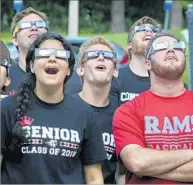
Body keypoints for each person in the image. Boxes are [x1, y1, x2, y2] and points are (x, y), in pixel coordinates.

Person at [113, 32, 193, 184]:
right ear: (147, 63)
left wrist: (152, 169)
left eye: (177, 46)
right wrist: (192, 154)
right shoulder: (128, 111)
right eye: (161, 47)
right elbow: (137, 162)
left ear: (184, 60)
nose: (170, 49)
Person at [1, 32, 106, 184]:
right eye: (44, 54)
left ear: (69, 69)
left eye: (60, 55)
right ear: (32, 65)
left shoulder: (84, 113)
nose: (52, 58)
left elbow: (94, 178)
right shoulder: (6, 108)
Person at [74, 37, 119, 184]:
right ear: (80, 69)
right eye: (93, 55)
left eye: (108, 56)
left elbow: (123, 173)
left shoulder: (123, 116)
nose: (101, 57)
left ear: (116, 71)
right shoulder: (64, 108)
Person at [7, 7, 81, 95]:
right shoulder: (5, 76)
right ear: (15, 39)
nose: (34, 28)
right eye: (25, 25)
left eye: (40, 24)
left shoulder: (72, 77)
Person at [110, 16, 162, 105]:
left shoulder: (169, 81)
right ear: (129, 45)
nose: (149, 31)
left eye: (154, 30)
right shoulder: (114, 79)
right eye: (141, 29)